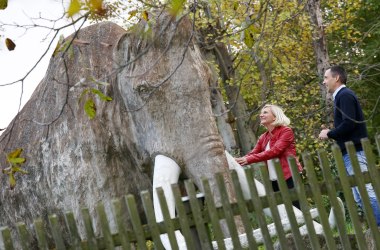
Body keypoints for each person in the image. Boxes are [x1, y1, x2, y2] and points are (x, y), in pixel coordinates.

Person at [318, 65, 380, 226]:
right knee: (359, 194)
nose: (324, 82)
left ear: (336, 78)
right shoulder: (340, 97)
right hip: (349, 152)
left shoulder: (344, 95)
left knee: (365, 191)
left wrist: (329, 133)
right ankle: (375, 228)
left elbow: (349, 123)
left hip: (355, 151)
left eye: (326, 78)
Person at [235, 104, 303, 209]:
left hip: (289, 176)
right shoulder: (264, 136)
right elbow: (253, 153)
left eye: (265, 112)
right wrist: (238, 161)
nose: (261, 115)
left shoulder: (286, 131)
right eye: (261, 113)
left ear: (275, 116)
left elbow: (275, 151)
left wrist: (248, 159)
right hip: (273, 179)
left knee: (297, 208)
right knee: (282, 210)